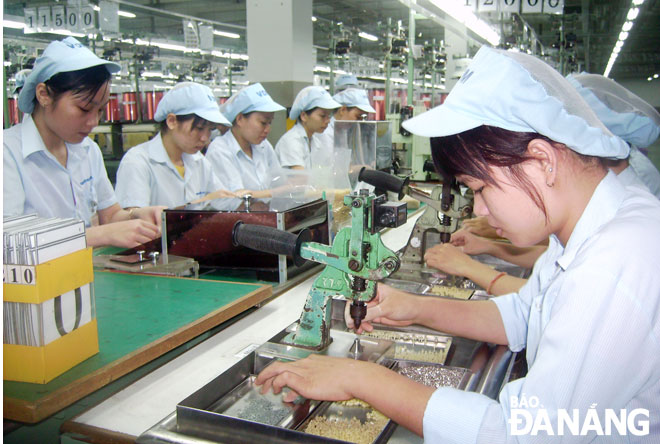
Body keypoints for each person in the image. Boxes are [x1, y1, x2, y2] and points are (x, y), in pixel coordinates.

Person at [255, 46, 660, 442]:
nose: (480, 211)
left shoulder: (615, 261)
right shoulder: (585, 227)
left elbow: (520, 435)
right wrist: (414, 306)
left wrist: (362, 377)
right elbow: (523, 315)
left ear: (542, 161)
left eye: (479, 188)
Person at [432, 72, 660, 294]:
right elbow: (542, 291)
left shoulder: (617, 246)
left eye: (480, 189)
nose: (478, 208)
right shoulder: (592, 213)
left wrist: (473, 262)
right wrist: (491, 245)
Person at [3, 37, 162, 248]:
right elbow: (7, 241)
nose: (93, 122)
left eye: (100, 111)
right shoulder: (8, 153)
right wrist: (99, 235)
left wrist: (137, 216)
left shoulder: (88, 150)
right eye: (84, 109)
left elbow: (110, 215)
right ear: (43, 95)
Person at [114, 82, 236, 208]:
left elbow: (221, 201)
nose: (205, 138)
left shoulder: (199, 162)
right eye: (199, 128)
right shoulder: (138, 162)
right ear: (172, 121)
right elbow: (135, 221)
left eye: (210, 130)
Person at [205, 83, 286, 199]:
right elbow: (238, 197)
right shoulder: (220, 150)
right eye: (263, 123)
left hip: (266, 214)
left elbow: (281, 183)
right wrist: (277, 192)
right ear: (240, 119)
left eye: (270, 123)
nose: (268, 129)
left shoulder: (264, 146)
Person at [274, 86, 340, 170]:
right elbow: (300, 177)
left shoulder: (315, 141)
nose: (328, 121)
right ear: (304, 116)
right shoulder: (291, 141)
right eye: (323, 116)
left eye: (328, 116)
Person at [312, 87, 377, 160]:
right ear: (342, 110)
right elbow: (329, 164)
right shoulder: (325, 132)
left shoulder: (343, 130)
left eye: (362, 118)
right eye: (358, 116)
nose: (359, 121)